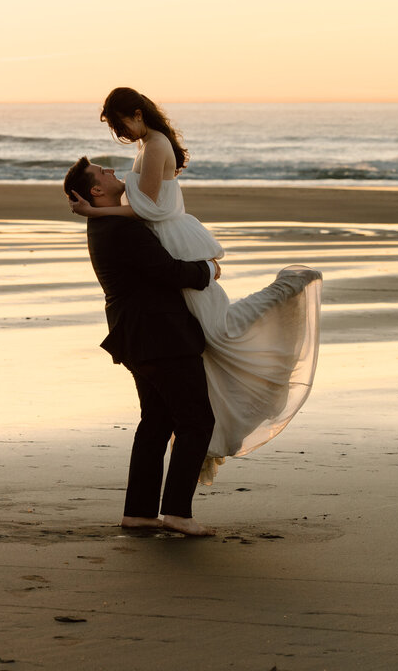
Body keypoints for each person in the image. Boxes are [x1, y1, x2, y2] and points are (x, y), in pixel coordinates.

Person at [71, 87, 322, 483]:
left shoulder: (154, 146)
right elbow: (147, 208)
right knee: (210, 336)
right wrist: (101, 213)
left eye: (122, 124)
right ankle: (199, 451)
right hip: (167, 249)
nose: (121, 135)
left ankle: (286, 286)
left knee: (219, 328)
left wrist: (96, 212)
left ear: (137, 113)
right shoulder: (146, 147)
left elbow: (151, 208)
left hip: (174, 242)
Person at [63, 156, 220, 536]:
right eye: (103, 172)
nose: (113, 172)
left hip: (136, 336)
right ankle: (177, 513)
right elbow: (167, 271)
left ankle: (139, 511)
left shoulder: (106, 224)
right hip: (160, 336)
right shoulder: (118, 228)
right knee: (196, 420)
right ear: (96, 190)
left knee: (157, 420)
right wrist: (208, 270)